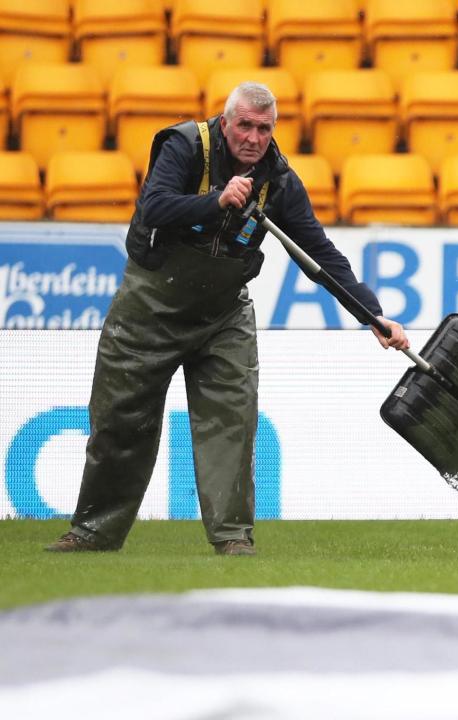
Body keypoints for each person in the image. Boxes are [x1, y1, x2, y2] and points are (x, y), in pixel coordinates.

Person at [46, 82, 409, 556]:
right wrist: (214, 201)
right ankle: (94, 532)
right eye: (244, 125)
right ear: (225, 122)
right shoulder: (184, 145)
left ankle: (233, 537)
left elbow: (317, 253)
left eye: (264, 128)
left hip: (223, 315)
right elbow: (152, 207)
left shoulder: (279, 181)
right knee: (119, 422)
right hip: (148, 309)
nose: (254, 137)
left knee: (233, 423)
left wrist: (372, 314)